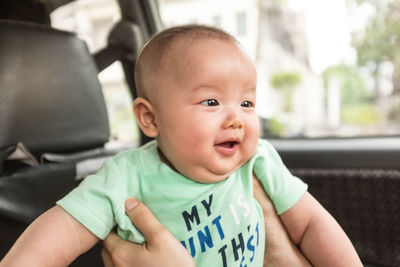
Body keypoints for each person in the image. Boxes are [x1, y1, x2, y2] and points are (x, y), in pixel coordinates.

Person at [0, 24, 362, 266]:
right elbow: (60, 231)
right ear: (150, 119)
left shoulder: (259, 161)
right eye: (211, 102)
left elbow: (312, 223)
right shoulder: (126, 177)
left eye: (247, 103)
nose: (237, 117)